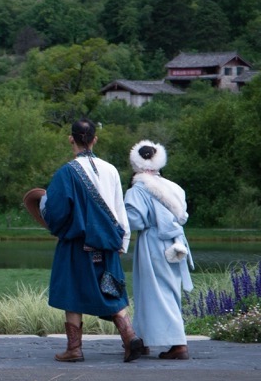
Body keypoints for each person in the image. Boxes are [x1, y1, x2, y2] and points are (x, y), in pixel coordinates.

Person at [32, 118, 147, 363]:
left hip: (77, 243)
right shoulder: (111, 170)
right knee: (111, 288)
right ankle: (129, 337)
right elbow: (119, 210)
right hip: (107, 242)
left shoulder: (66, 172)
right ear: (95, 139)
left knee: (72, 291)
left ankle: (74, 349)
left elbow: (55, 211)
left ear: (71, 138)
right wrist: (122, 242)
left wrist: (43, 208)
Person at [124, 140, 193, 360]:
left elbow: (135, 220)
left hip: (153, 242)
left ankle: (178, 344)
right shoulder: (173, 187)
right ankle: (143, 339)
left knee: (153, 291)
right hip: (175, 243)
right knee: (167, 289)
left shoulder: (138, 190)